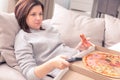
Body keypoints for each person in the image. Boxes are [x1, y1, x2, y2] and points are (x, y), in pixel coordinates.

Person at [14, 0, 92, 80]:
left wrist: (78, 49)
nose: (39, 18)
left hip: (79, 60)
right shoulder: (23, 38)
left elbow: (61, 49)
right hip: (67, 71)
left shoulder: (48, 27)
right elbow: (29, 74)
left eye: (40, 14)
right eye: (33, 14)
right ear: (23, 15)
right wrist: (52, 64)